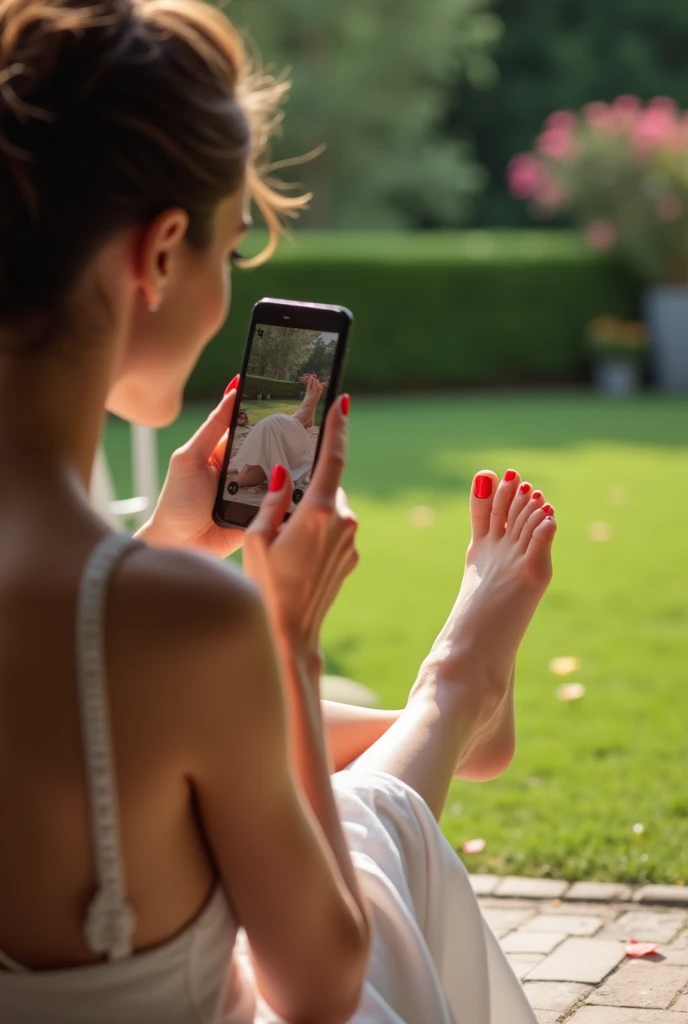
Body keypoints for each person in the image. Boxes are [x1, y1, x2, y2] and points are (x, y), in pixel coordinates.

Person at [0, 1, 557, 1022]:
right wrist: (285, 641)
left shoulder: (131, 613)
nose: (222, 294)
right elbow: (320, 982)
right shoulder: (187, 627)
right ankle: (448, 696)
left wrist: (158, 546)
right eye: (228, 252)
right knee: (367, 834)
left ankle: (443, 707)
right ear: (159, 252)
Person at [231, 377, 324, 489]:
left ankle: (301, 417)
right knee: (272, 423)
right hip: (295, 443)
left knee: (270, 423)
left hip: (247, 461)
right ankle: (301, 417)